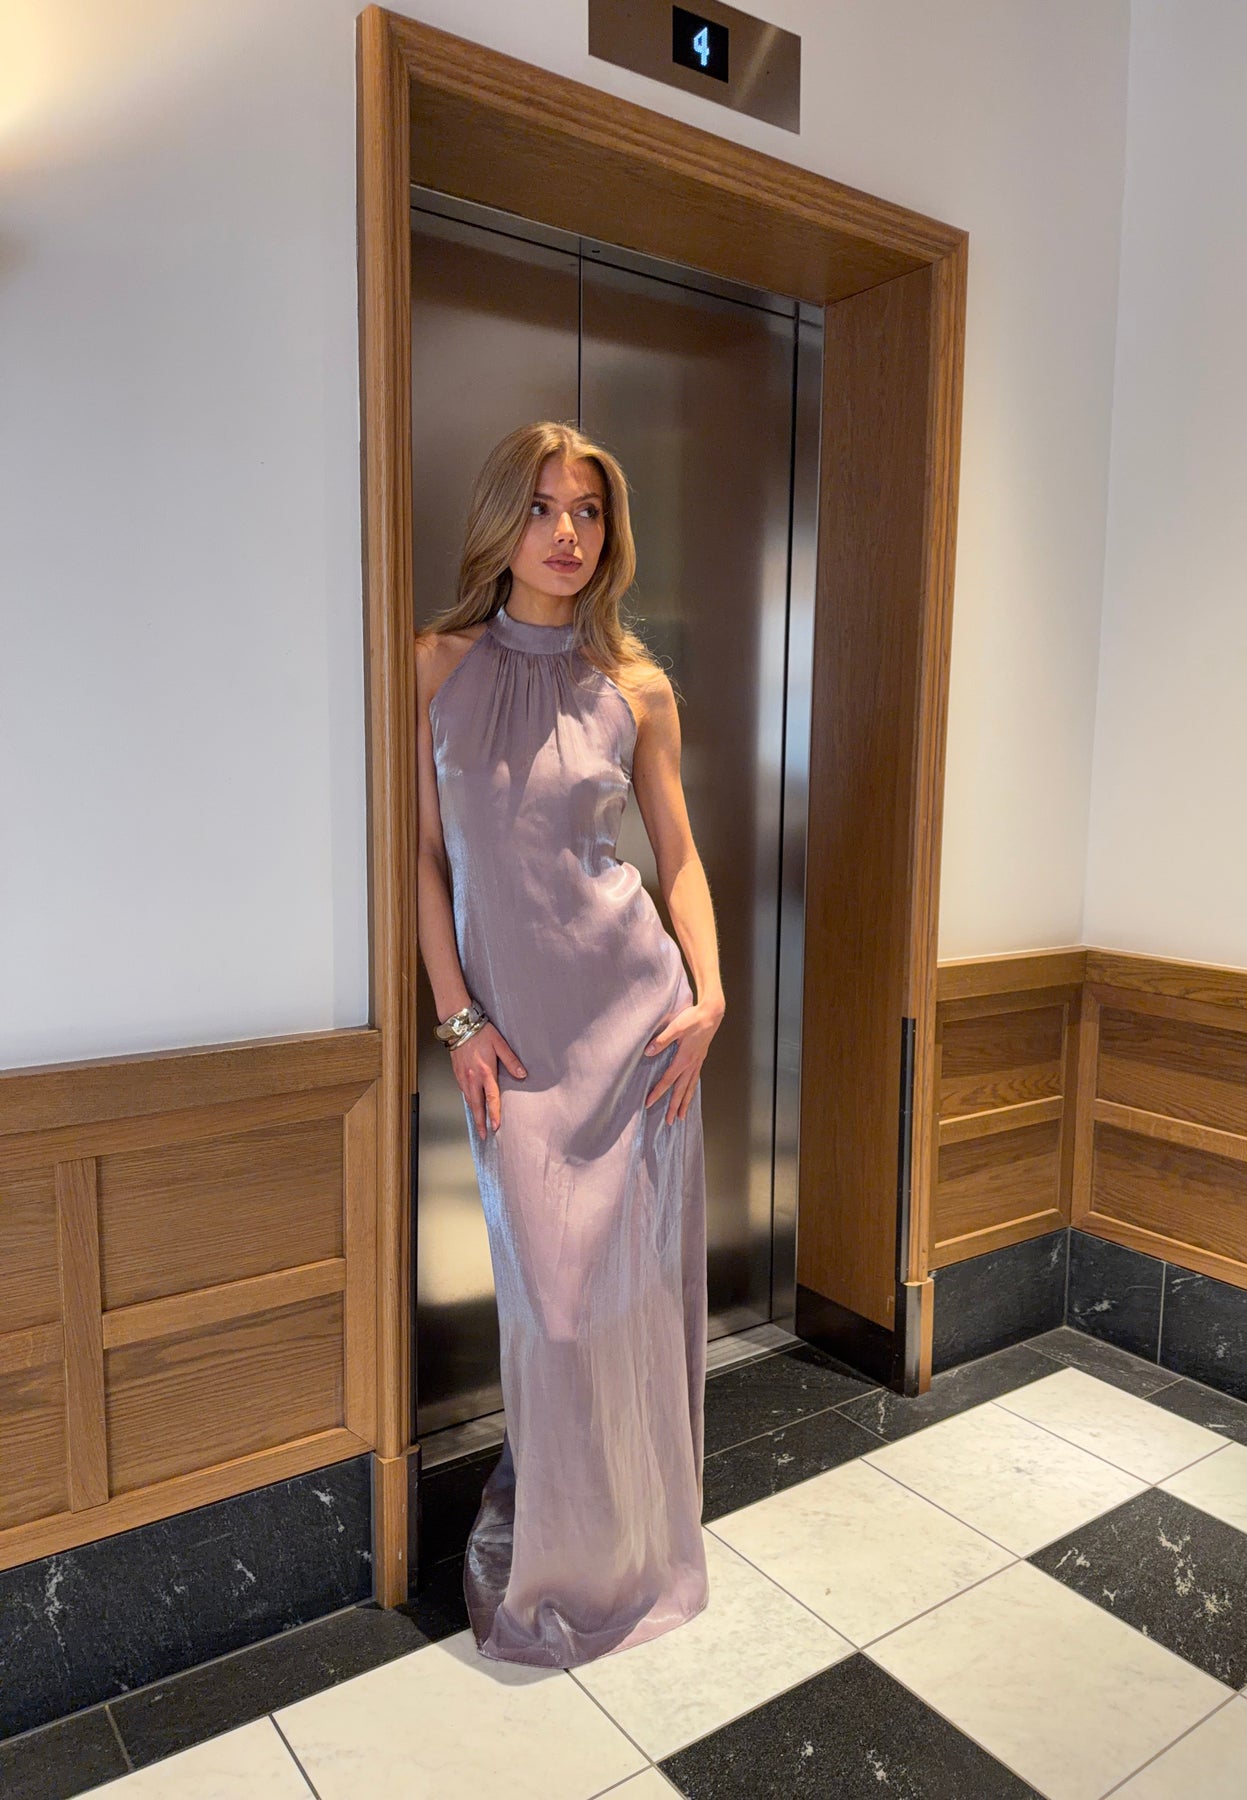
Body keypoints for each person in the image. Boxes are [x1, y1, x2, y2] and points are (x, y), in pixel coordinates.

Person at [413, 419, 726, 1668]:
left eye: (588, 512)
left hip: (639, 1030)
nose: (566, 533)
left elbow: (679, 859)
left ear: (610, 532)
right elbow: (422, 863)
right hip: (520, 1054)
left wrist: (710, 996)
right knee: (553, 1317)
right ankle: (557, 1561)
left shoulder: (636, 688)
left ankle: (634, 1548)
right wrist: (458, 1016)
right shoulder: (434, 666)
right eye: (543, 507)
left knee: (627, 1309)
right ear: (505, 521)